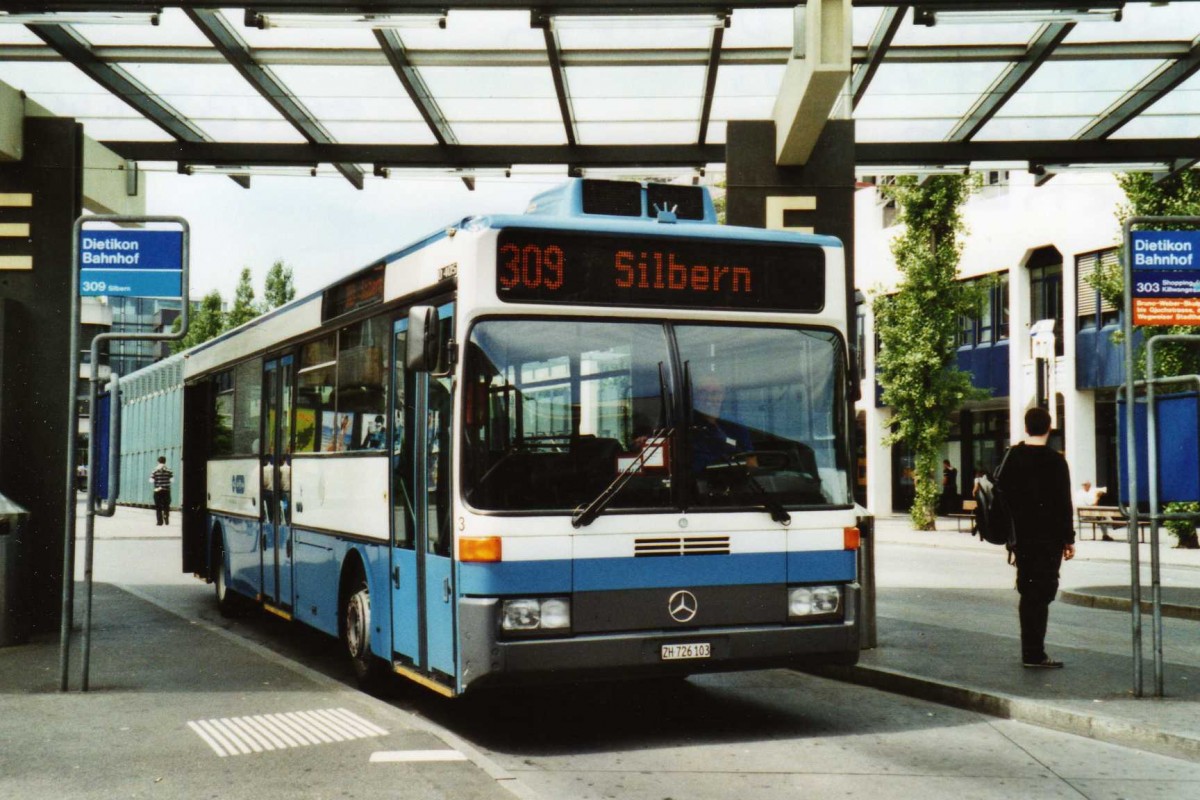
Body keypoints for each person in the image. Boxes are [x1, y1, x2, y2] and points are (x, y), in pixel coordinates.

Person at [997, 407, 1075, 669]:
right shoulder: (1056, 461)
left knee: (1028, 591)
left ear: (1026, 427)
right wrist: (1069, 538)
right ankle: (1034, 653)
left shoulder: (1012, 456)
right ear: (1049, 428)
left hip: (1021, 539)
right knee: (1041, 594)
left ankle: (1030, 650)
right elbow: (1065, 503)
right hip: (1048, 540)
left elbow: (1002, 496)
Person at [689, 375, 752, 474]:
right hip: (695, 484)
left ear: (723, 395)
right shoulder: (684, 425)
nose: (709, 398)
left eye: (715, 393)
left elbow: (752, 464)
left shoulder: (736, 426)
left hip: (734, 482)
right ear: (695, 396)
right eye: (703, 392)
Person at [150, 455, 174, 526]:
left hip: (157, 490)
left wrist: (157, 480)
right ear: (165, 461)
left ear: (158, 461)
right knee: (166, 505)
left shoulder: (154, 470)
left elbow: (151, 480)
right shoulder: (169, 470)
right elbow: (172, 480)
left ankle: (159, 522)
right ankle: (166, 515)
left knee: (158, 506)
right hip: (166, 490)